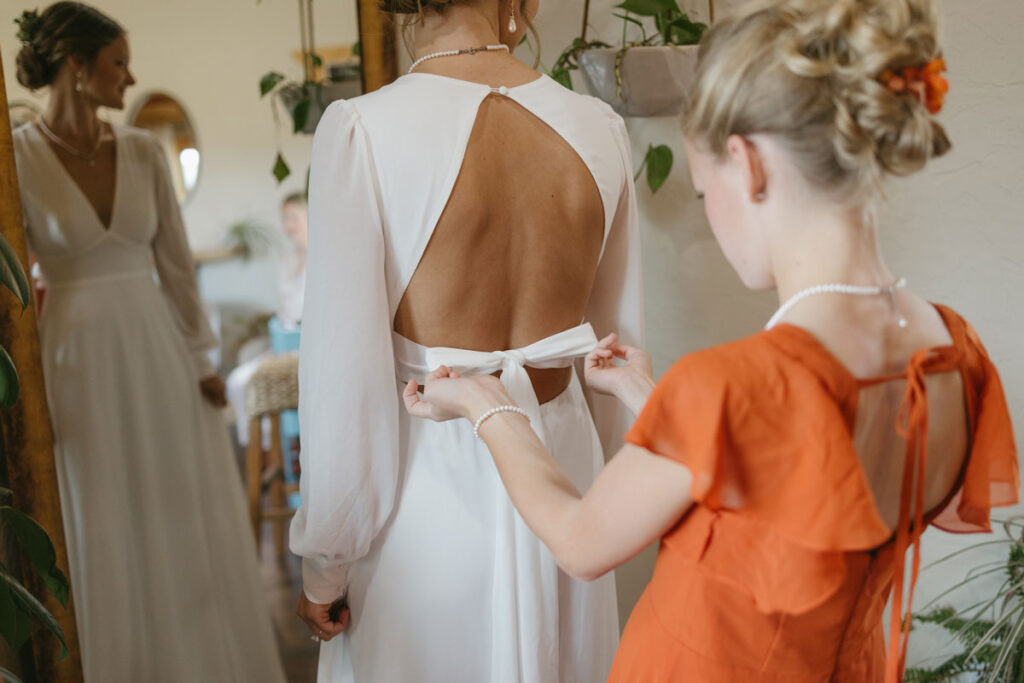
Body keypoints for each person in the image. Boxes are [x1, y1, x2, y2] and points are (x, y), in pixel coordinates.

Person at [404, 0, 1020, 680]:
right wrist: (649, 395)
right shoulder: (954, 355)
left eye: (703, 193)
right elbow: (795, 486)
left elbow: (580, 541)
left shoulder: (738, 382)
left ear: (747, 162)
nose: (714, 221)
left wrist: (488, 406)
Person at [290, 0, 643, 680]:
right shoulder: (598, 127)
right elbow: (615, 348)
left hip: (429, 498)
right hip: (567, 483)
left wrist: (324, 570)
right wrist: (614, 510)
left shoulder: (363, 130)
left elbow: (344, 389)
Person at [12, 4, 286, 681]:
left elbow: (178, 268)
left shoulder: (141, 152)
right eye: (119, 64)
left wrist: (202, 359)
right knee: (98, 514)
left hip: (156, 349)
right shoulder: (14, 157)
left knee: (172, 511)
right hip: (70, 358)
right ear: (77, 66)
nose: (130, 80)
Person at [226, 191, 308, 448]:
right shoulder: (286, 262)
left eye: (293, 218)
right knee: (237, 382)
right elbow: (283, 311)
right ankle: (259, 448)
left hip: (306, 349)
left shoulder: (323, 259)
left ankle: (278, 446)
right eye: (284, 219)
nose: (287, 226)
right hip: (281, 347)